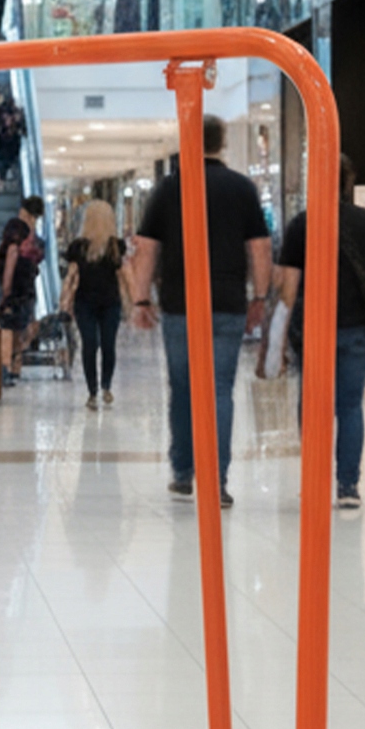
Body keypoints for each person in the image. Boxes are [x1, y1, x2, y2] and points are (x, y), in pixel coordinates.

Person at [130, 115, 271, 510]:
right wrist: (259, 297)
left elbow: (146, 248)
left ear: (189, 140)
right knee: (220, 389)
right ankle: (217, 479)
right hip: (228, 302)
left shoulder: (169, 188)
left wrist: (141, 300)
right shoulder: (242, 188)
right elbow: (260, 248)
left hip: (180, 304)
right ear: (221, 142)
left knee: (183, 388)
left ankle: (183, 471)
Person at [276, 153, 365, 509]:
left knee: (313, 404)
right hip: (357, 328)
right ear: (347, 181)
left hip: (314, 329)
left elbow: (288, 290)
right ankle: (348, 486)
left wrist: (278, 337)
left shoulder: (301, 225)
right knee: (350, 405)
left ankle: (315, 480)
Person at [61, 198, 132, 410]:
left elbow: (122, 275)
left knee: (100, 345)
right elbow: (72, 275)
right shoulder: (79, 247)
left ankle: (103, 387)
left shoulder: (115, 247)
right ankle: (94, 390)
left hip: (106, 304)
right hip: (88, 304)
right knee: (95, 344)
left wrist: (130, 299)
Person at [0, 195, 45, 386]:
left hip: (15, 287)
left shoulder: (15, 227)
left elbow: (12, 253)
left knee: (7, 327)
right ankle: (16, 369)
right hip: (28, 287)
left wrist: (6, 287)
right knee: (19, 328)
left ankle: (5, 368)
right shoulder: (34, 235)